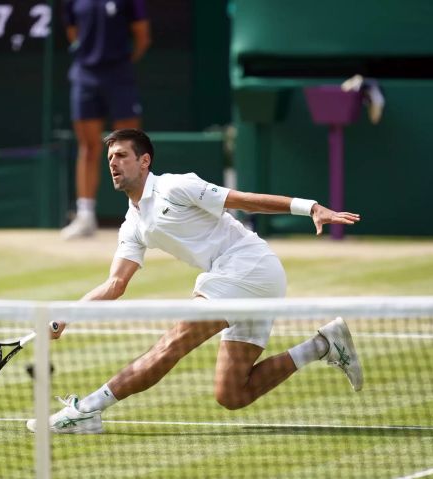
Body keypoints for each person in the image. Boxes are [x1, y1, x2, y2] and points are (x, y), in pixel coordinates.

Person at [28, 129, 363, 434]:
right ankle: (323, 345)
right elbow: (115, 284)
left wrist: (311, 207)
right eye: (110, 158)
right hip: (242, 278)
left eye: (121, 156)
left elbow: (243, 199)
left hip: (247, 264)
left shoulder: (175, 186)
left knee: (172, 343)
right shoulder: (132, 224)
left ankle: (87, 409)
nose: (113, 163)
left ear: (144, 161)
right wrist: (65, 316)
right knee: (232, 393)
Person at [60, 0, 151, 240]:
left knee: (131, 147)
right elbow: (72, 33)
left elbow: (142, 36)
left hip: (120, 75)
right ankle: (86, 216)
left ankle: (142, 215)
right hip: (85, 76)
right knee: (88, 147)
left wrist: (121, 63)